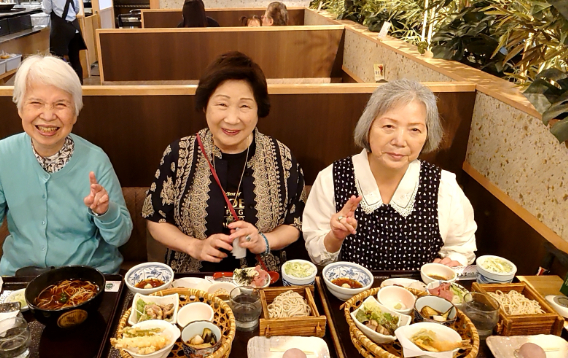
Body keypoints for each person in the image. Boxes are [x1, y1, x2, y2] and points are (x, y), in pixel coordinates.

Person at [0, 55, 132, 276]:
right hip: (21, 279)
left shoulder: (95, 159)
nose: (47, 116)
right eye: (36, 103)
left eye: (61, 104)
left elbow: (120, 235)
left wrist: (105, 212)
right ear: (20, 109)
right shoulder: (2, 154)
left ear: (75, 113)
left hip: (87, 277)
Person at [142, 51, 305, 273]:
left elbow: (295, 223)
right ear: (204, 106)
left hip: (263, 279)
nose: (231, 118)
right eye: (222, 104)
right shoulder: (179, 153)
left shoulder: (281, 156)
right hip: (193, 278)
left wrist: (265, 241)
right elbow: (156, 219)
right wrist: (194, 246)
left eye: (245, 106)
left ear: (259, 110)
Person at [302, 79, 477, 270]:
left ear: (427, 135)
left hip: (418, 297)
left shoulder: (443, 186)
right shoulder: (332, 178)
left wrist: (452, 262)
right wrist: (334, 237)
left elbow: (461, 247)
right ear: (368, 127)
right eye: (388, 126)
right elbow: (317, 256)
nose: (400, 141)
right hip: (349, 295)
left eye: (414, 130)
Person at [42, 0, 87, 83]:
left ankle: (62, 87)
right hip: (74, 27)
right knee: (76, 61)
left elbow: (46, 9)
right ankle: (80, 89)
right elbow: (77, 9)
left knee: (58, 60)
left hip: (60, 29)